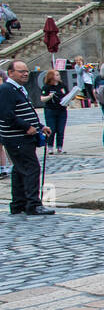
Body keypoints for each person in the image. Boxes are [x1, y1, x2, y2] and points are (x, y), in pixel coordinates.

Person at [0, 60, 55, 215]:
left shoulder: (18, 89)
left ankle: (18, 204)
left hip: (22, 136)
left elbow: (24, 111)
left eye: (26, 71)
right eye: (20, 71)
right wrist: (26, 127)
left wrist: (39, 126)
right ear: (10, 73)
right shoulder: (7, 89)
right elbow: (6, 114)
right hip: (17, 137)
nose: (25, 74)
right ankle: (33, 204)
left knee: (19, 169)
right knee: (31, 168)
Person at [38, 69, 69, 153]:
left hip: (62, 110)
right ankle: (50, 146)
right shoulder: (47, 87)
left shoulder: (62, 86)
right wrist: (49, 96)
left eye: (58, 75)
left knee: (61, 129)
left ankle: (59, 146)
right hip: (51, 110)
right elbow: (42, 99)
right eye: (56, 75)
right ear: (52, 77)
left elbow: (67, 95)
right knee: (52, 129)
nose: (58, 76)